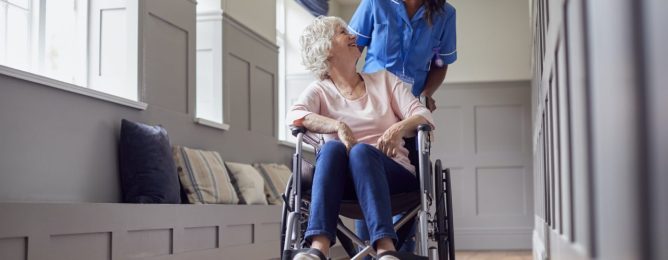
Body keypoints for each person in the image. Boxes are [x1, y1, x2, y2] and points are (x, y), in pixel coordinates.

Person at [286, 16, 435, 260]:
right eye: (342, 32)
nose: (354, 35)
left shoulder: (384, 81)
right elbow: (294, 116)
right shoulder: (320, 91)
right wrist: (338, 126)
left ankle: (386, 250)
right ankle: (317, 249)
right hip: (342, 183)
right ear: (325, 49)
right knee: (333, 149)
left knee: (361, 151)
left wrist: (397, 129)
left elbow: (423, 114)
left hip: (393, 176)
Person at [347, 0, 457, 252]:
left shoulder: (445, 13)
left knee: (410, 181)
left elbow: (440, 64)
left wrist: (427, 93)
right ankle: (367, 251)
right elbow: (352, 49)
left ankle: (401, 251)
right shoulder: (375, 3)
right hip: (370, 106)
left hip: (409, 106)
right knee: (363, 177)